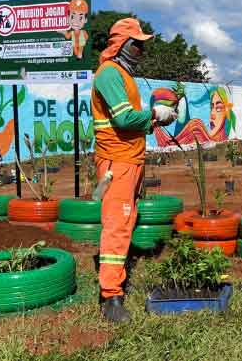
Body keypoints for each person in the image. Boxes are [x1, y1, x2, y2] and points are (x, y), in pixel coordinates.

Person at [91, 18, 176, 323]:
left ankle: (116, 281)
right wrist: (155, 113)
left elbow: (129, 122)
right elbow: (125, 120)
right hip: (118, 163)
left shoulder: (121, 75)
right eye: (136, 43)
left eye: (142, 44)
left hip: (129, 160)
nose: (141, 49)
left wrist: (153, 121)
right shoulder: (110, 74)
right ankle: (111, 297)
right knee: (117, 225)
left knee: (125, 221)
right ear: (122, 44)